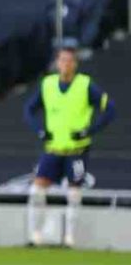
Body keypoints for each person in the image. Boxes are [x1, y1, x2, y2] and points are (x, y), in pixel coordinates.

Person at [24, 47, 115, 248]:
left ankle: (70, 239)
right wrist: (40, 130)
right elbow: (29, 110)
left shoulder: (85, 85)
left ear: (75, 64)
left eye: (69, 61)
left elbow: (109, 109)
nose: (65, 64)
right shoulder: (47, 84)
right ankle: (34, 236)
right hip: (53, 149)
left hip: (77, 153)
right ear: (57, 63)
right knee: (36, 190)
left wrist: (89, 131)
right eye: (62, 60)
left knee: (74, 193)